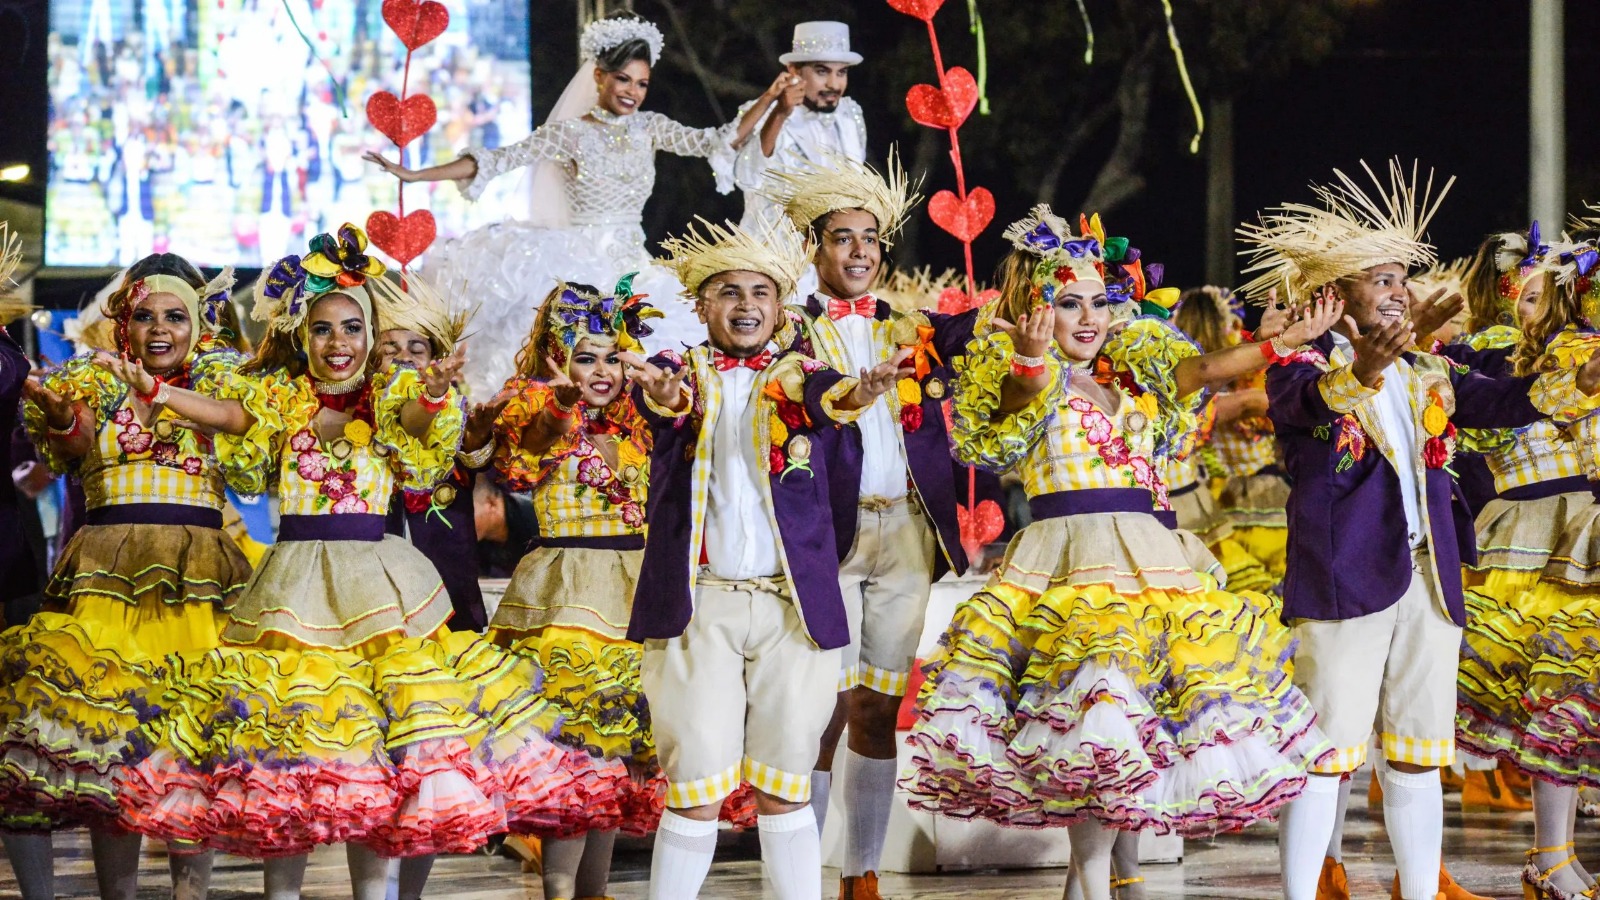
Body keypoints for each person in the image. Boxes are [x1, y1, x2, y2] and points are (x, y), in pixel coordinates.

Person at [107, 226, 598, 900]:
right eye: (323, 330)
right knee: (293, 763)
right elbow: (226, 415)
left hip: (376, 591)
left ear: (370, 335)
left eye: (352, 328)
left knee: (380, 760)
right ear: (301, 338)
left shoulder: (391, 397)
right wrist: (159, 395)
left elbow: (422, 435)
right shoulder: (280, 399)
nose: (338, 342)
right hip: (294, 591)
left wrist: (430, 397)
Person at [903, 205, 1343, 900]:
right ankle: (1092, 883)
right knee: (1094, 731)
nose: (1087, 317)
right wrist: (1030, 352)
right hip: (1070, 565)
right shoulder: (1035, 374)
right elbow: (1023, 392)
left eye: (1099, 301)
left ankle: (1101, 883)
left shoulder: (1133, 380)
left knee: (1125, 737)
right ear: (1033, 311)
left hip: (1151, 563)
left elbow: (1200, 370)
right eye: (1066, 302)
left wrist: (1272, 345)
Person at [1241, 161, 1600, 900]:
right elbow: (1305, 407)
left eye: (1400, 277)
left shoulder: (1427, 369)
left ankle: (1417, 887)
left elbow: (1504, 401)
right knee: (1327, 754)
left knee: (1415, 756)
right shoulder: (1301, 365)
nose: (1399, 290)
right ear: (1335, 293)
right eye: (1380, 279)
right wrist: (1359, 374)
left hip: (1430, 582)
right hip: (1345, 583)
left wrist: (1582, 383)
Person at [623, 219, 905, 900]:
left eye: (760, 292)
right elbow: (666, 405)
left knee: (785, 790)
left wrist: (860, 395)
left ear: (781, 307)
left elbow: (829, 398)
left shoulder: (802, 378)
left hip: (793, 610)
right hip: (699, 608)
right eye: (728, 291)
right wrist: (661, 402)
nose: (746, 303)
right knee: (693, 791)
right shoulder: (681, 377)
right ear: (701, 306)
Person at [365, 14, 795, 399]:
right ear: (600, 76)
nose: (633, 92)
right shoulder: (570, 133)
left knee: (650, 351)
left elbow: (720, 139)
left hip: (633, 260)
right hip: (574, 259)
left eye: (642, 83)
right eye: (624, 79)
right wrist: (412, 175)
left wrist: (772, 96)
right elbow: (499, 159)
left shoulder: (649, 128)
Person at [763, 151, 977, 899]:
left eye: (870, 240)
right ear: (812, 249)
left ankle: (862, 875)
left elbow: (985, 350)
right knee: (817, 711)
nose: (859, 252)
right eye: (842, 238)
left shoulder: (913, 327)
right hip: (825, 537)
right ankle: (801, 879)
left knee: (877, 710)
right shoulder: (783, 333)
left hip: (907, 535)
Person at [4, 255, 248, 900]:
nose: (160, 329)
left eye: (175, 316)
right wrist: (60, 414)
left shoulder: (227, 388)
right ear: (123, 322)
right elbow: (74, 442)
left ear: (201, 324)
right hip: (104, 584)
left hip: (198, 586)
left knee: (190, 747)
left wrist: (158, 392)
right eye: (144, 315)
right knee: (108, 742)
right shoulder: (95, 382)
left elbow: (246, 437)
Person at [484, 278, 668, 898]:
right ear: (558, 357)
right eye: (583, 356)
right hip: (565, 597)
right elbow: (527, 451)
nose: (600, 371)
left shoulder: (644, 426)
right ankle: (560, 892)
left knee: (615, 761)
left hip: (639, 596)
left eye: (612, 356)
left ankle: (592, 893)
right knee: (571, 757)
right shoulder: (541, 415)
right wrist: (559, 406)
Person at [1463, 239, 1600, 900]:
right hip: (1528, 539)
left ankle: (1555, 855)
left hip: (1583, 529)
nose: (1530, 301)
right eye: (1523, 291)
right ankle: (1549, 856)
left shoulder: (1575, 349)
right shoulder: (1492, 357)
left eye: (1543, 292)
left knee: (1578, 702)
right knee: (1558, 695)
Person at [376, 282, 499, 632]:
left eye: (417, 349)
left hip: (448, 578)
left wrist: (476, 436)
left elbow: (478, 464)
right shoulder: (358, 418)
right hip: (377, 587)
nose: (404, 357)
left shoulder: (455, 412)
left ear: (435, 360)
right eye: (391, 348)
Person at [733, 21, 867, 237]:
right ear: (793, 70)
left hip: (827, 259)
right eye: (822, 72)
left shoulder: (849, 115)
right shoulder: (762, 112)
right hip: (771, 256)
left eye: (841, 72)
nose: (834, 84)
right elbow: (746, 176)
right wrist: (780, 114)